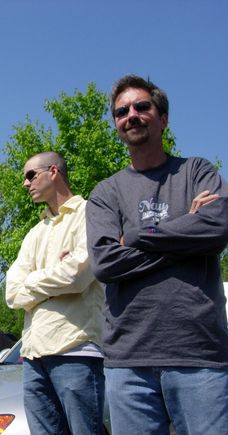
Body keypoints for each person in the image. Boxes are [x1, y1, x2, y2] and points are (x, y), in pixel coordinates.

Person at [86, 74, 228, 434]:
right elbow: (105, 262)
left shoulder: (196, 171)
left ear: (163, 118)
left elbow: (217, 229)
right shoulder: (106, 193)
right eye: (121, 111)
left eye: (141, 106)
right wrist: (186, 230)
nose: (131, 114)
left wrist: (133, 236)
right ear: (117, 125)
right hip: (128, 361)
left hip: (199, 355)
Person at [6, 151, 105, 434]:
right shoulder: (35, 233)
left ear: (53, 172)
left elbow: (77, 275)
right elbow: (12, 294)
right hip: (33, 356)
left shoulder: (90, 213)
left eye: (30, 175)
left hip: (77, 351)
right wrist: (53, 280)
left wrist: (34, 284)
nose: (25, 183)